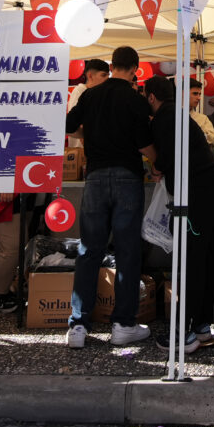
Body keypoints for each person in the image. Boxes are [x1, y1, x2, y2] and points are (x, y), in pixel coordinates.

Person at [64, 45, 157, 349]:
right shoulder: (135, 99)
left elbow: (68, 126)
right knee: (128, 251)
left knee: (88, 250)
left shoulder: (90, 94)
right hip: (128, 177)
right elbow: (144, 143)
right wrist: (158, 164)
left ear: (112, 65)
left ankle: (78, 326)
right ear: (134, 68)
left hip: (95, 177)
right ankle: (123, 324)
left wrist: (91, 132)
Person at [144, 76, 214, 351]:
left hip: (199, 195)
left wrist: (155, 166)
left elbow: (166, 160)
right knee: (205, 258)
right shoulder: (181, 116)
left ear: (151, 97)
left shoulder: (162, 120)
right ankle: (202, 326)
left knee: (191, 261)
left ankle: (184, 334)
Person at [67, 58, 109, 147]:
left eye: (108, 75)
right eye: (103, 75)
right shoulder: (80, 91)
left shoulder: (100, 93)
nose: (107, 79)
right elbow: (75, 121)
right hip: (80, 149)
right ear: (90, 76)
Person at [189, 78, 214, 145]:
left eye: (199, 94)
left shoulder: (203, 119)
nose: (199, 98)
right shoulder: (171, 115)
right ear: (183, 93)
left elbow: (212, 139)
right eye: (195, 94)